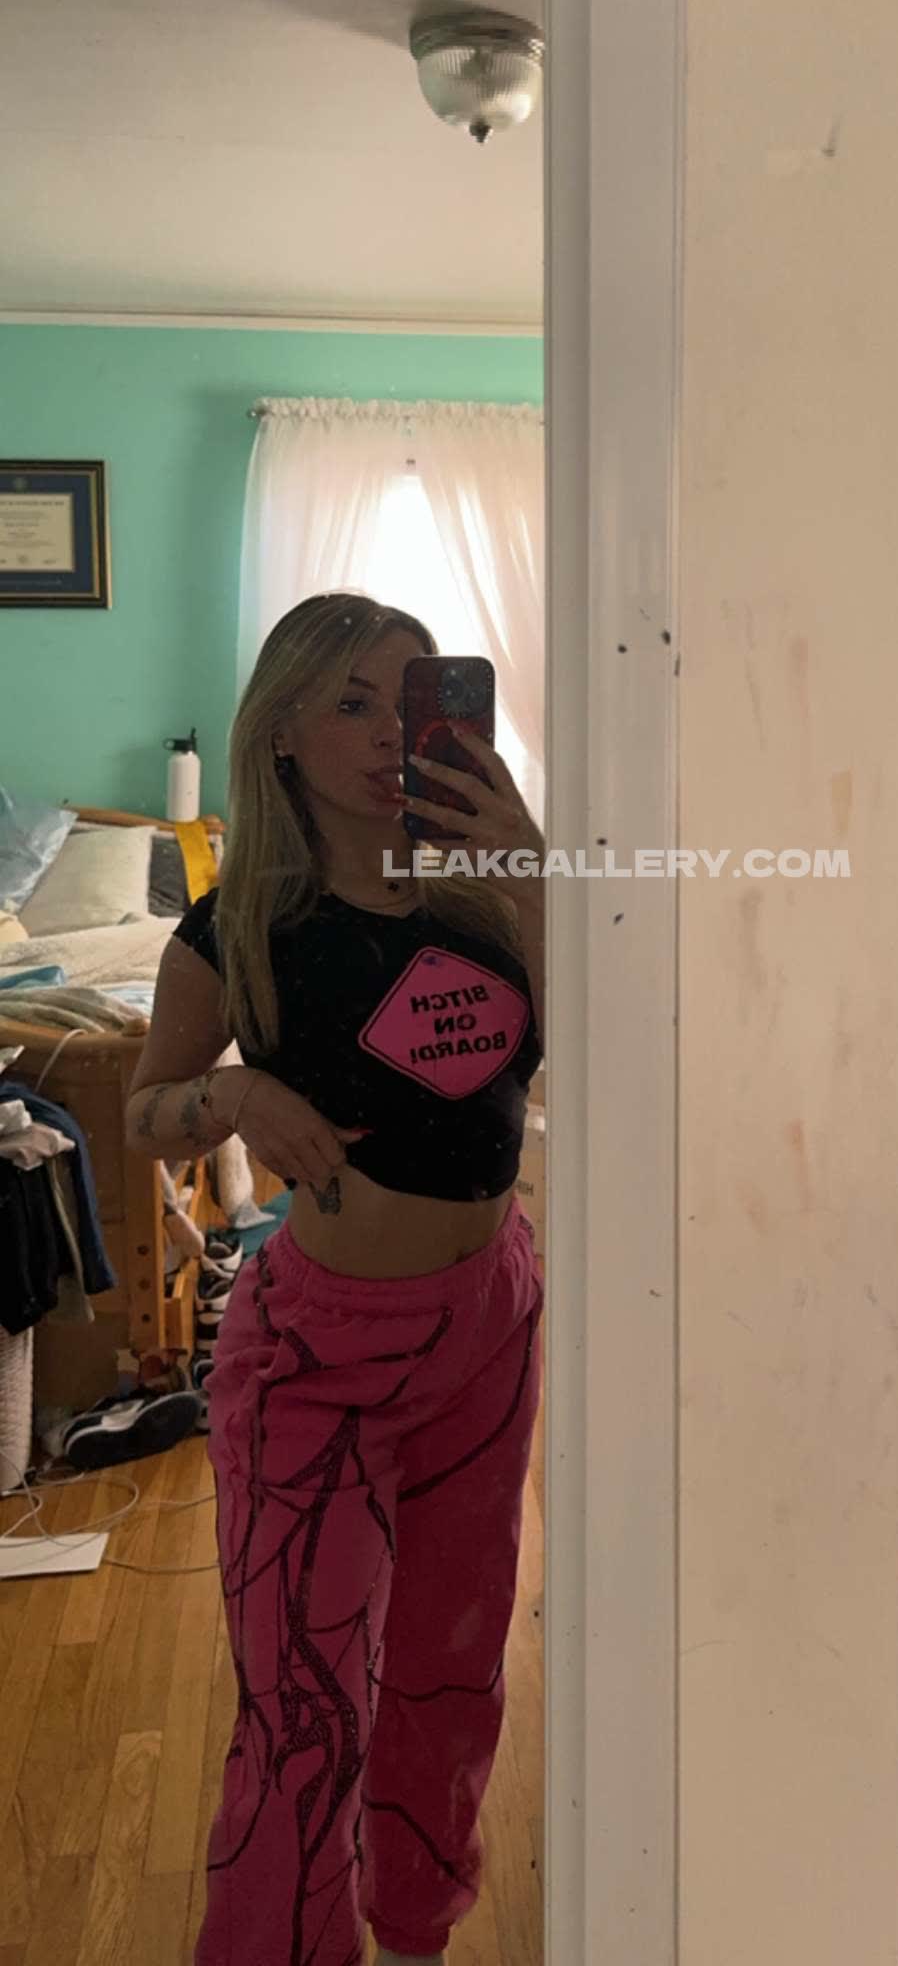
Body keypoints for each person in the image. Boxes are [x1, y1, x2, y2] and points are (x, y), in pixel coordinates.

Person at [126, 592, 546, 1966]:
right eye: (351, 702)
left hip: (489, 1326)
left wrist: (537, 876)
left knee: (450, 1663)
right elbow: (146, 1111)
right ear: (283, 733)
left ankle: (417, 1925)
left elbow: (614, 1048)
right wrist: (236, 1095)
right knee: (303, 1700)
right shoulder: (236, 929)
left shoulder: (488, 900)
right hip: (319, 1355)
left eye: (406, 700)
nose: (384, 735)